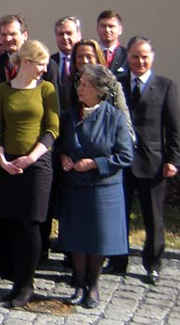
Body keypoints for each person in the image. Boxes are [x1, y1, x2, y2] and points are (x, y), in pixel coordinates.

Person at [55, 64, 133, 309]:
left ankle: (94, 285)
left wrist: (95, 164)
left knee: (98, 239)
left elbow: (125, 155)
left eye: (86, 85)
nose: (80, 88)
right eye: (80, 83)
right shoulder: (68, 116)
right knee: (77, 237)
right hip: (75, 187)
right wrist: (62, 157)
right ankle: (79, 283)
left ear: (99, 90)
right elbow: (59, 145)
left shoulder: (115, 118)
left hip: (103, 189)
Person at [0, 39, 59, 308]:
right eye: (40, 63)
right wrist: (3, 160)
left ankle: (26, 284)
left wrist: (31, 157)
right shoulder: (3, 92)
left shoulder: (47, 89)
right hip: (8, 165)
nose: (44, 68)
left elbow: (53, 128)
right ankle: (16, 281)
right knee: (13, 225)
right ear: (26, 63)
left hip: (37, 166)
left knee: (31, 225)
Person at [107, 37, 180, 284]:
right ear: (128, 57)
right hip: (123, 161)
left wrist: (174, 160)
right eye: (135, 56)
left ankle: (153, 264)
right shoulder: (117, 84)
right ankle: (118, 259)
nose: (140, 61)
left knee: (153, 217)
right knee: (120, 214)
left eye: (144, 56)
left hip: (153, 162)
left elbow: (174, 127)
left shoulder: (165, 86)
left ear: (152, 57)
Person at [61, 39, 132, 134]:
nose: (85, 61)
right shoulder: (67, 87)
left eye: (89, 56)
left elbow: (123, 114)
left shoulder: (113, 85)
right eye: (80, 57)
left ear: (98, 58)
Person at [96, 10, 128, 77]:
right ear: (97, 29)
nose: (107, 30)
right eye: (103, 26)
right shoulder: (91, 54)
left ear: (120, 30)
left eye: (111, 26)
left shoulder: (127, 56)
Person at [52, 16, 82, 86]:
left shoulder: (84, 61)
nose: (65, 38)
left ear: (79, 35)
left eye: (69, 33)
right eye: (61, 34)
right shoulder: (49, 63)